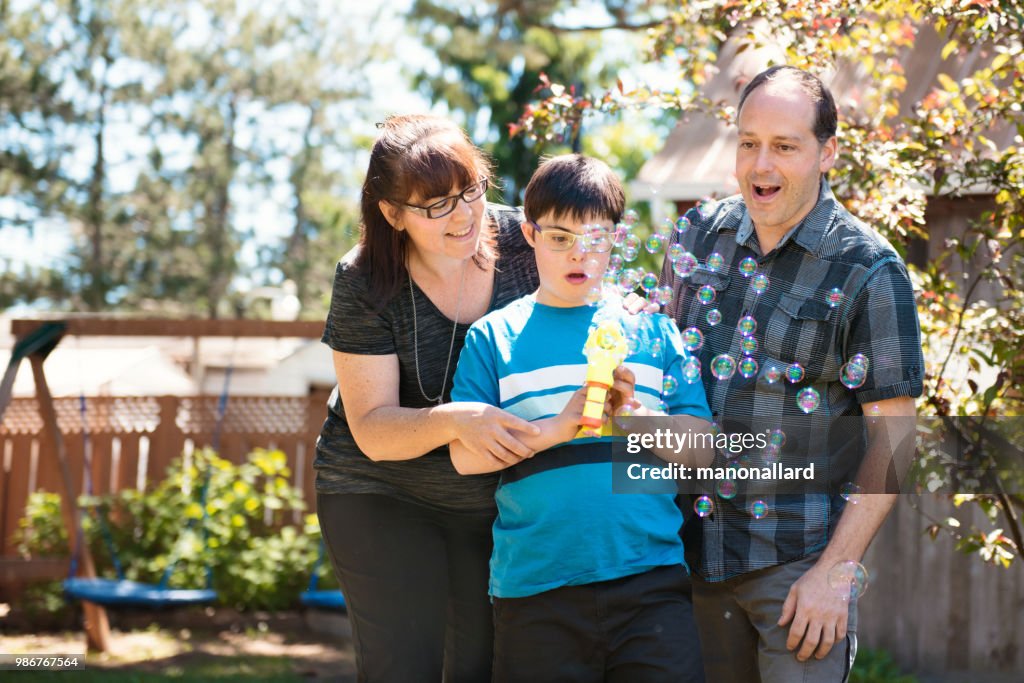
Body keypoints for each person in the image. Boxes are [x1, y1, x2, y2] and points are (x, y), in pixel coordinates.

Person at [658, 66, 924, 682]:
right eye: (748, 142)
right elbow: (657, 378)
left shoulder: (868, 269)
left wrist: (835, 574)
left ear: (827, 152)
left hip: (796, 573)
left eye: (784, 146)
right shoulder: (697, 237)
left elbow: (896, 441)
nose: (760, 166)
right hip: (683, 560)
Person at [450, 153, 713, 682]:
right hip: (536, 587)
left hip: (650, 582)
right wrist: (560, 425)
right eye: (560, 237)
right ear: (529, 233)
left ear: (616, 237)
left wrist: (640, 422)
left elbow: (704, 448)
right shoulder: (495, 337)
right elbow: (464, 457)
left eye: (595, 237)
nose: (579, 254)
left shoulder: (653, 332)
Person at [314, 114, 543, 682]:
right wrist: (459, 419)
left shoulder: (525, 243)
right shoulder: (364, 278)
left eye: (470, 191)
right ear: (392, 213)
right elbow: (371, 429)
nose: (464, 215)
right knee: (403, 666)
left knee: (478, 668)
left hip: (489, 504)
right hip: (378, 492)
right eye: (435, 205)